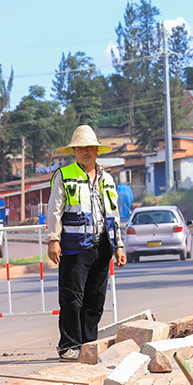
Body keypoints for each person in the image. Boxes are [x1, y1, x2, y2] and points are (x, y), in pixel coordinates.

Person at [47, 125, 127, 362]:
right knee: (72, 298)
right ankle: (69, 346)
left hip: (102, 246)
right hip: (73, 246)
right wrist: (53, 240)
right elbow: (54, 211)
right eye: (81, 148)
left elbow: (114, 214)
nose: (86, 151)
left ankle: (88, 344)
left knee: (96, 299)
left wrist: (119, 245)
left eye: (89, 147)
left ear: (96, 150)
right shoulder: (64, 175)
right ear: (75, 151)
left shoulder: (108, 179)